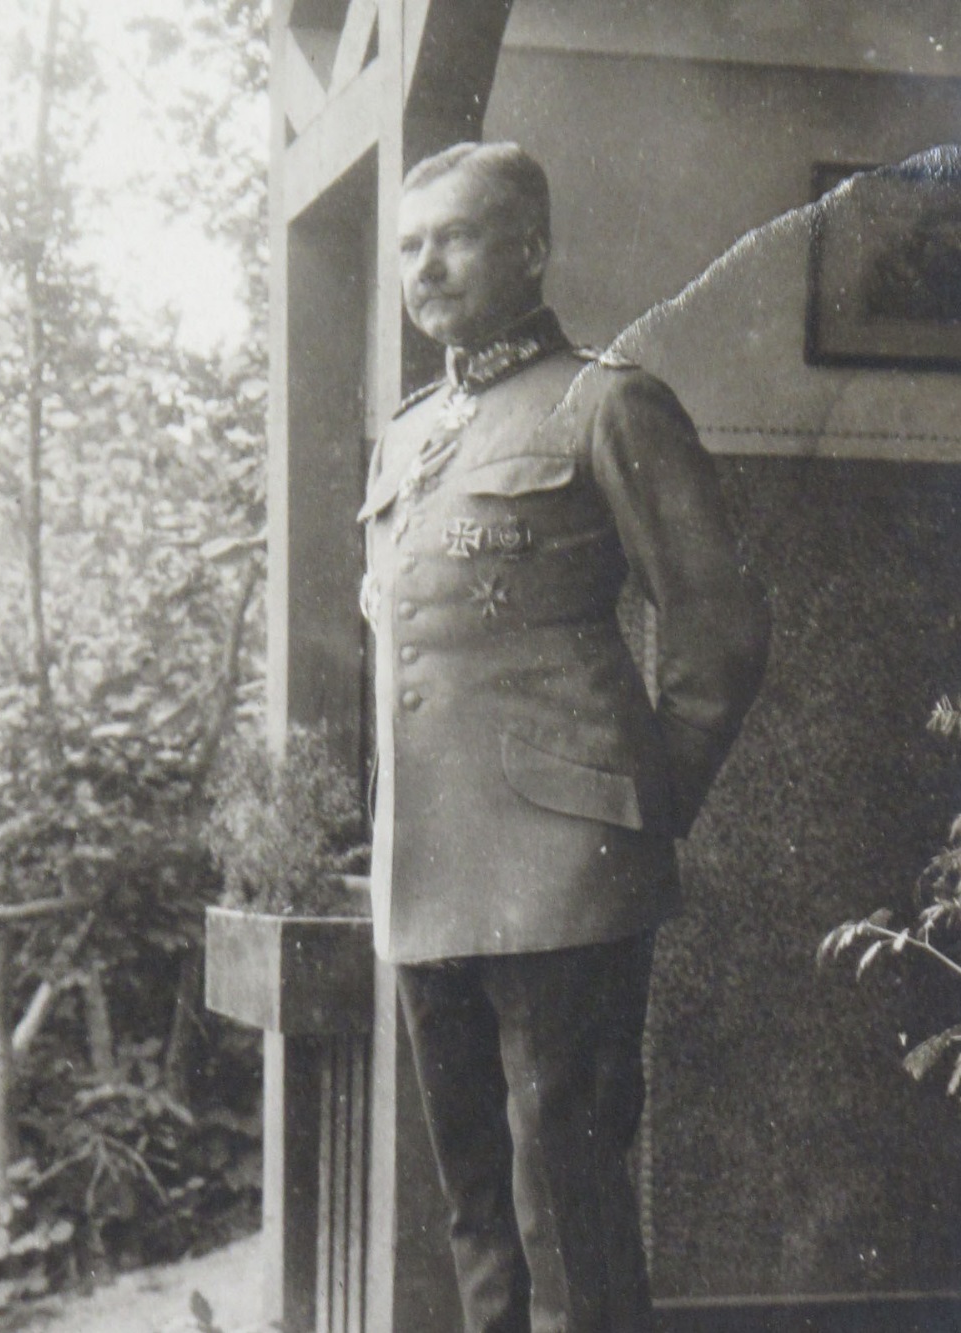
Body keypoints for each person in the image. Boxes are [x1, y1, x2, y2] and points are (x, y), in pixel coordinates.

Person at [357, 141, 770, 1333]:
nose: (425, 266)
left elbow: (720, 630)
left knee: (572, 1206)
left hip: (564, 884)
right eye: (409, 243)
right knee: (475, 1205)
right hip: (427, 878)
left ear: (529, 248)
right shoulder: (409, 434)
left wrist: (633, 811)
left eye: (457, 237)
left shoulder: (605, 403)